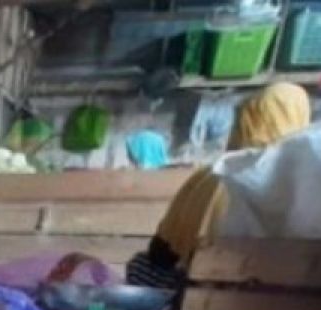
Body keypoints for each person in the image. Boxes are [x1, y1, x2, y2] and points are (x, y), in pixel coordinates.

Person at [127, 82, 311, 291]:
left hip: (193, 288)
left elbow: (160, 252)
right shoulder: (299, 191)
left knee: (141, 265)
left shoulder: (208, 175)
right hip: (255, 297)